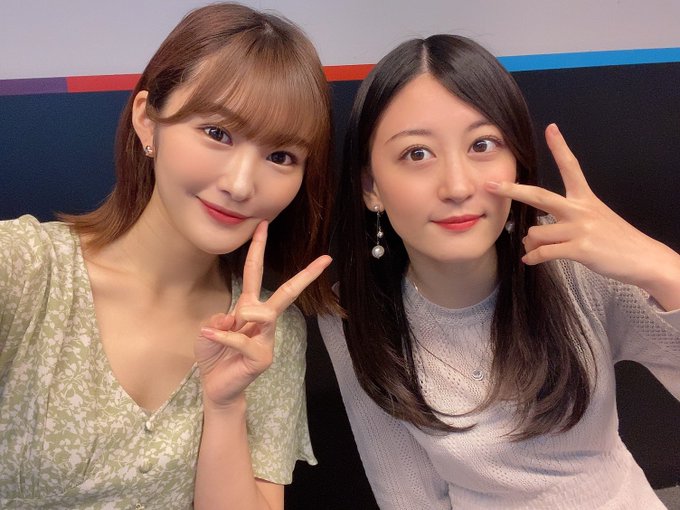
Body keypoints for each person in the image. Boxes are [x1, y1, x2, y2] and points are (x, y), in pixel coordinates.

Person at [318, 34, 680, 509]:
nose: (457, 186)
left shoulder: (570, 260)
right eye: (417, 154)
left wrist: (664, 269)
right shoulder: (354, 317)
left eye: (482, 144)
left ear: (516, 162)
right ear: (371, 187)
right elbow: (408, 494)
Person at [0, 3, 336, 509]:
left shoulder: (265, 331)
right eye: (217, 133)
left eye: (280, 156)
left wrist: (225, 405)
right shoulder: (25, 269)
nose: (241, 184)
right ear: (147, 121)